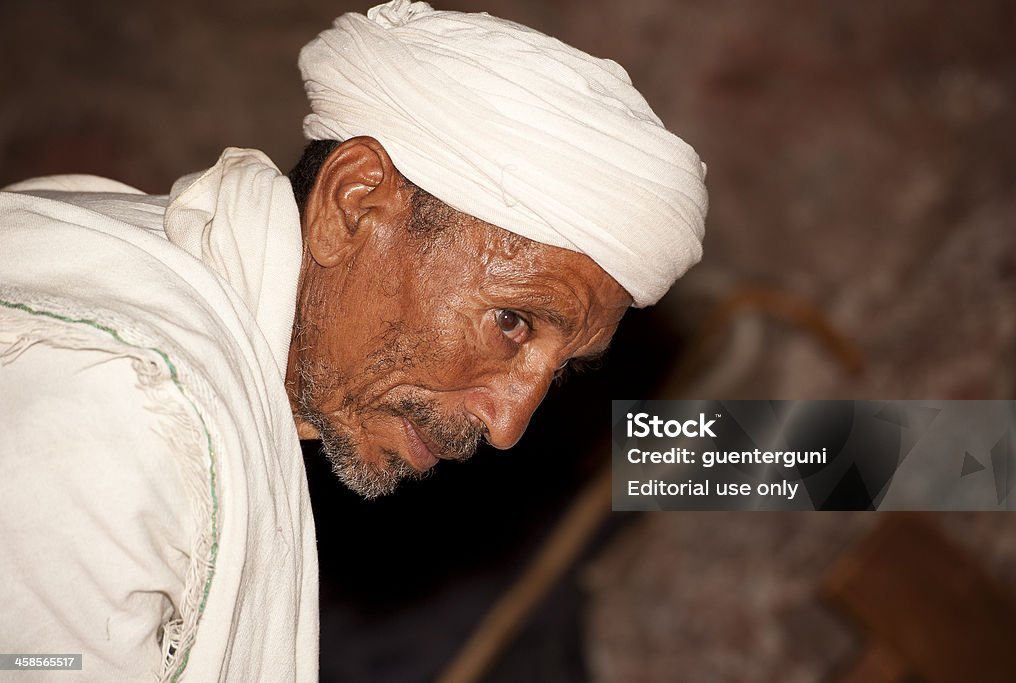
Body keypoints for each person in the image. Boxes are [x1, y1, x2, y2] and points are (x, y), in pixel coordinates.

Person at [0, 1, 707, 680]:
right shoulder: (122, 407)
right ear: (355, 203)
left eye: (560, 373)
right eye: (512, 322)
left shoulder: (160, 292)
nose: (508, 424)